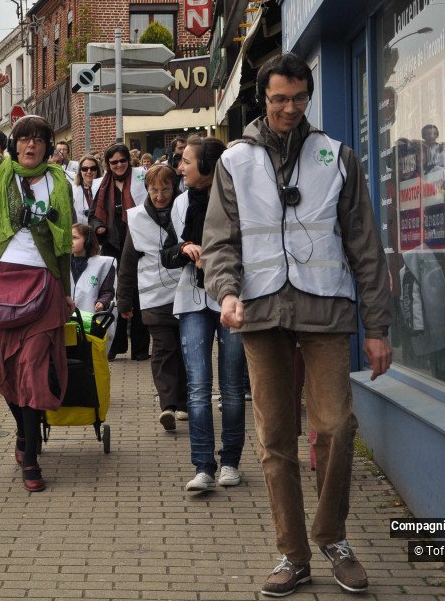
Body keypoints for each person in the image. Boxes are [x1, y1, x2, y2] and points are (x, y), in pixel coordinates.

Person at [202, 52, 392, 597]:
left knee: (335, 426)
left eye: (299, 98)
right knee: (275, 438)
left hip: (325, 310)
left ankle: (332, 535)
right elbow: (220, 239)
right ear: (262, 98)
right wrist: (228, 291)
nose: (290, 108)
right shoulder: (234, 161)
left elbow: (366, 248)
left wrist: (376, 328)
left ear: (309, 97)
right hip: (260, 314)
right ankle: (292, 552)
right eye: (280, 98)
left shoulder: (337, 156)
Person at [0, 68, 75, 492]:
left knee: (31, 368)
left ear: (47, 147)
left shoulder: (60, 182)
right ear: (14, 145)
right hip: (1, 282)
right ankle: (25, 430)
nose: (30, 144)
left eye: (38, 139)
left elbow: (63, 248)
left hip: (44, 288)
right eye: (24, 138)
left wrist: (68, 294)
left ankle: (29, 458)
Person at [160, 135, 246, 493]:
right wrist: (184, 247)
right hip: (193, 299)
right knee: (197, 387)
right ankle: (203, 466)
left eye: (187, 162)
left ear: (207, 168)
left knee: (231, 387)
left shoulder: (237, 199)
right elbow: (165, 253)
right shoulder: (181, 203)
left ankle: (230, 462)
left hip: (233, 299)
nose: (180, 167)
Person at [116, 164, 185, 430]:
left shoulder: (185, 210)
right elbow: (127, 263)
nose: (159, 196)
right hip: (154, 297)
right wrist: (124, 301)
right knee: (164, 350)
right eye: (154, 190)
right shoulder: (137, 219)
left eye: (165, 189)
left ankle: (184, 403)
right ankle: (168, 405)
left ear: (174, 187)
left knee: (186, 351)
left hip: (186, 294)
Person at [90, 143, 150, 361]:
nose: (119, 165)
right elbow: (93, 214)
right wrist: (99, 227)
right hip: (113, 246)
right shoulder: (101, 185)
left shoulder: (141, 179)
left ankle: (141, 349)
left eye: (122, 161)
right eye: (114, 162)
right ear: (108, 164)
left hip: (138, 244)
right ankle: (115, 345)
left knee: (138, 296)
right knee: (116, 296)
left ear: (128, 161)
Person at [70, 223, 117, 350]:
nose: (70, 241)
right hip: (67, 321)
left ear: (88, 240)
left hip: (89, 322)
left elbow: (108, 292)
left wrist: (102, 302)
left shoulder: (104, 264)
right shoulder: (62, 264)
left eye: (75, 237)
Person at [72, 154, 102, 225]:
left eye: (93, 168)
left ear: (97, 170)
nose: (89, 171)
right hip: (80, 231)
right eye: (85, 169)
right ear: (80, 171)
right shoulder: (73, 190)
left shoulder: (104, 188)